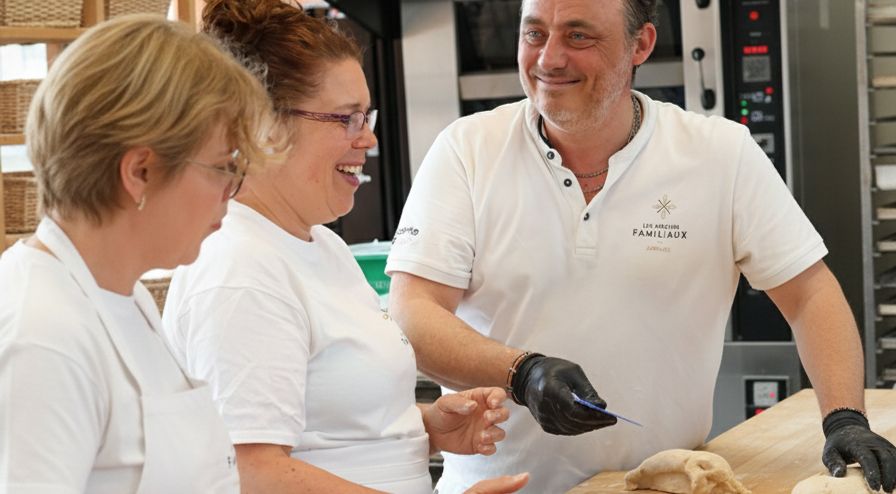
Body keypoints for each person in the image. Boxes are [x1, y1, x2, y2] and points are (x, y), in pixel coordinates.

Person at [385, 0, 896, 492]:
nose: (549, 58)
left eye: (578, 35)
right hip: (496, 488)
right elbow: (413, 314)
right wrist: (524, 373)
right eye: (534, 33)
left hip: (662, 488)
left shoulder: (720, 154)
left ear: (640, 43)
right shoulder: (467, 150)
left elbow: (810, 294)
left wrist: (844, 418)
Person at [160, 2, 528, 493]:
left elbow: (327, 429)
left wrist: (426, 426)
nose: (369, 138)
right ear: (264, 124)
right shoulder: (239, 268)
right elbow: (250, 473)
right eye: (347, 119)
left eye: (366, 116)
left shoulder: (323, 246)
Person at [0, 14, 271, 493]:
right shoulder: (41, 334)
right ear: (141, 171)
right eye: (223, 167)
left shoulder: (123, 296)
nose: (232, 191)